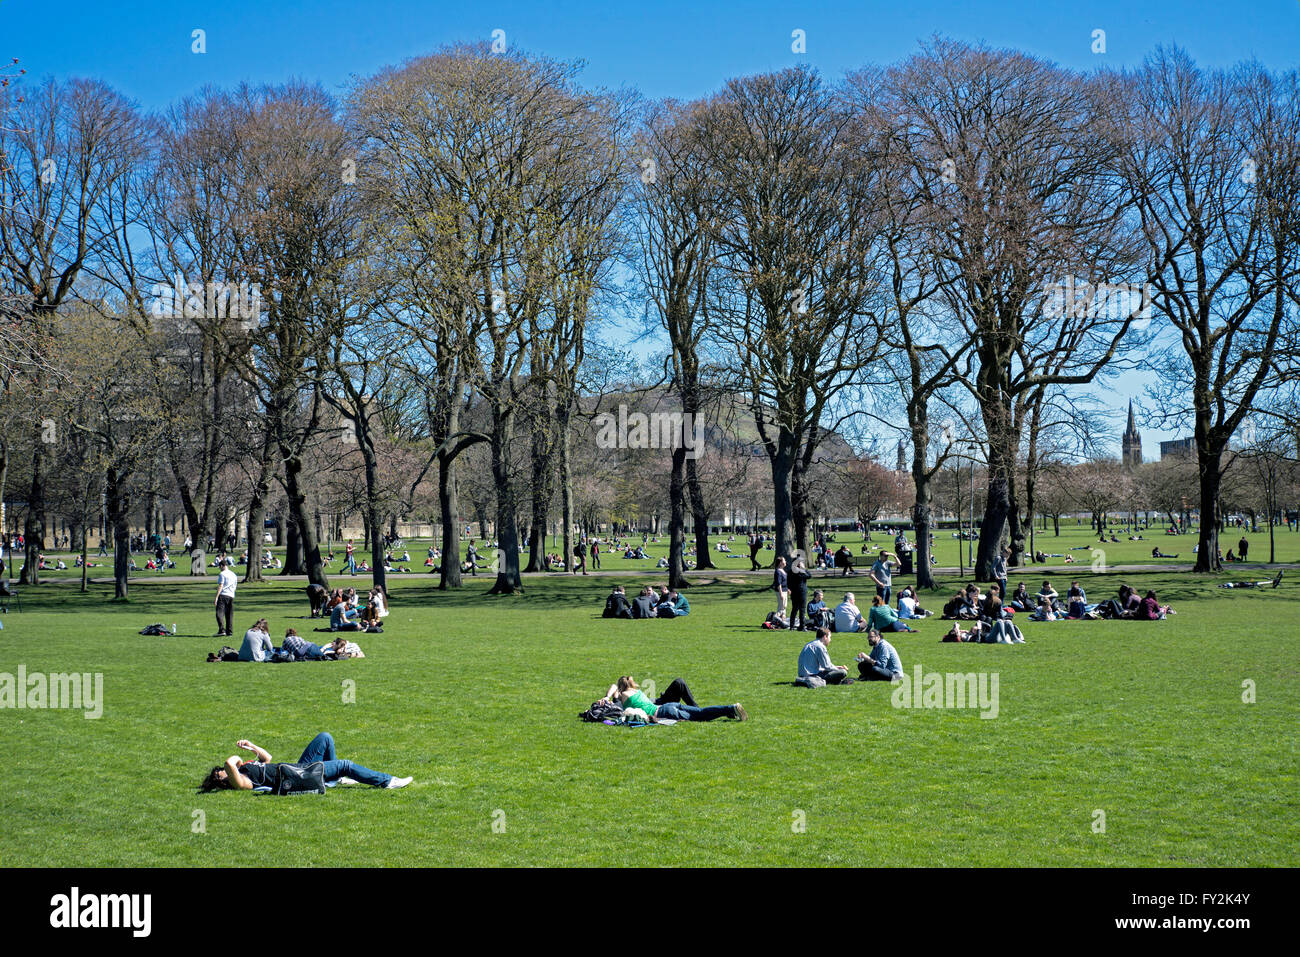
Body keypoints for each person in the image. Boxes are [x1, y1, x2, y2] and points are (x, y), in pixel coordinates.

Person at [198, 732, 411, 792]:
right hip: (297, 775)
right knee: (346, 765)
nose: (222, 771)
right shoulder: (240, 782)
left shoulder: (245, 769)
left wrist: (251, 746)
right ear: (222, 781)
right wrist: (235, 761)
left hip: (294, 768)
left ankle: (331, 780)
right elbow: (228, 762)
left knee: (325, 738)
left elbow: (267, 758)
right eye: (220, 774)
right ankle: (387, 782)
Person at [602, 676, 747, 723]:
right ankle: (731, 708)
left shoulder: (624, 696)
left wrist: (608, 697)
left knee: (702, 716)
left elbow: (614, 688)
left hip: (664, 711)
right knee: (701, 712)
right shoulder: (636, 691)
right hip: (670, 705)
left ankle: (731, 709)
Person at [214, 559, 237, 637]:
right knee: (229, 614)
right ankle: (229, 632)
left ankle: (221, 630)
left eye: (219, 567)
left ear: (221, 566)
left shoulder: (222, 574)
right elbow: (235, 586)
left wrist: (216, 597)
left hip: (223, 595)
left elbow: (221, 585)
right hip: (231, 595)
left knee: (219, 613)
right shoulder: (234, 574)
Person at [788, 553, 810, 630]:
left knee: (794, 609)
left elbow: (788, 582)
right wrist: (804, 569)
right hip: (801, 591)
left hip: (794, 591)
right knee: (802, 609)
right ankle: (802, 626)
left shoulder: (791, 571)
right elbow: (809, 576)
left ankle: (791, 626)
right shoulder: (800, 571)